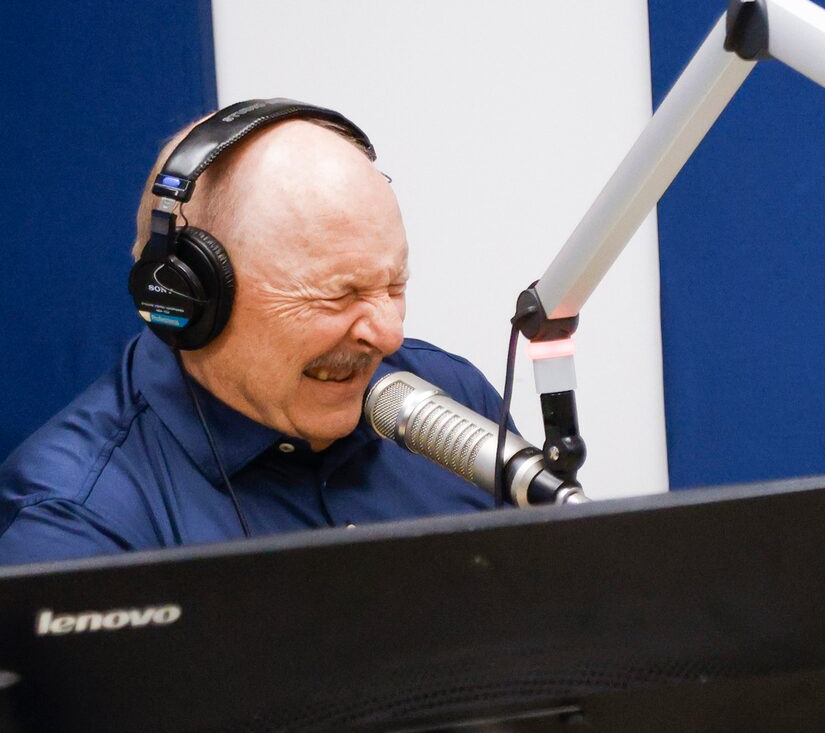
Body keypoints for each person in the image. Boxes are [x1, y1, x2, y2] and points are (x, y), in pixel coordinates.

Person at [0, 100, 506, 564]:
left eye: (394, 285)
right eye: (338, 294)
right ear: (190, 297)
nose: (389, 335)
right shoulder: (75, 525)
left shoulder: (449, 396)